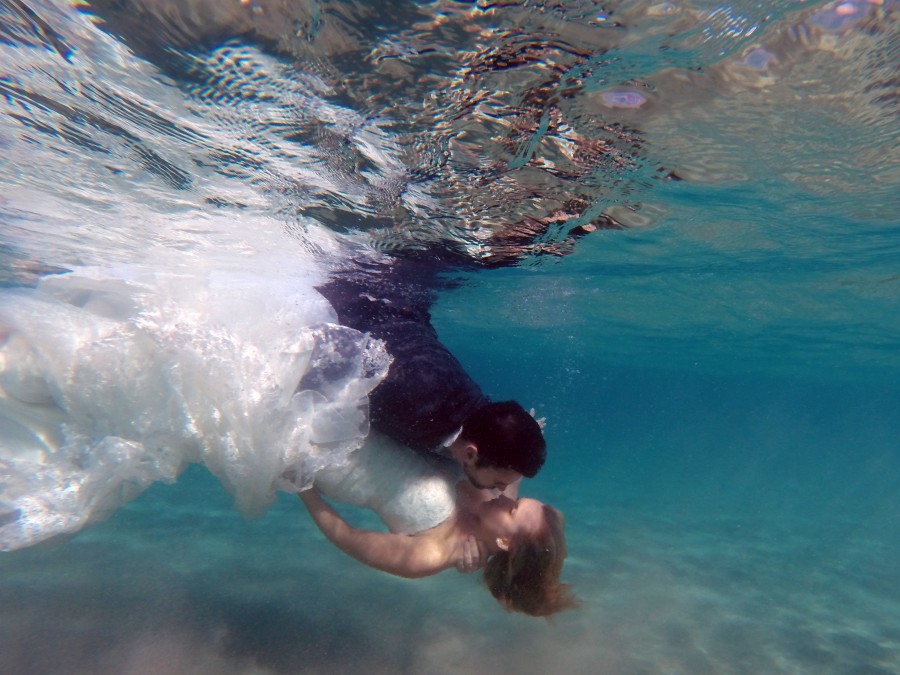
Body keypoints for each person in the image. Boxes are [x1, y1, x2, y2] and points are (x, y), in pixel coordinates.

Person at [316, 257, 547, 496]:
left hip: (404, 305)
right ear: (470, 453)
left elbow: (508, 432)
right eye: (500, 483)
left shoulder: (482, 419)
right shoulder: (413, 399)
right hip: (361, 297)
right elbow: (339, 366)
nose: (502, 489)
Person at [299, 476, 577, 617]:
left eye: (514, 508)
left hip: (337, 465)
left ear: (505, 542)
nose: (505, 497)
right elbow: (514, 474)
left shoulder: (431, 555)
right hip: (373, 425)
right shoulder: (493, 497)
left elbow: (346, 537)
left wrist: (301, 484)